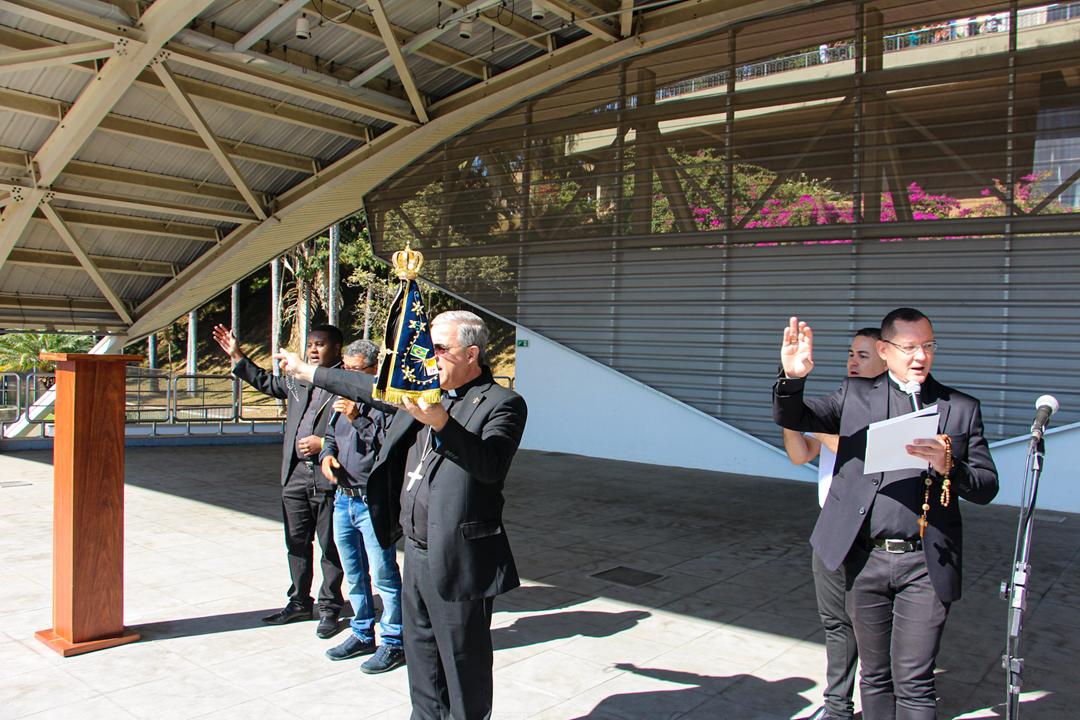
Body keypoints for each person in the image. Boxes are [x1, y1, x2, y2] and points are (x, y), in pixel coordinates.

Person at [275, 310, 527, 720]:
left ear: (471, 354)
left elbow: (489, 465)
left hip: (460, 556)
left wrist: (441, 422)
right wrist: (306, 371)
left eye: (440, 349)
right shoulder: (423, 392)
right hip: (416, 549)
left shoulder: (502, 403)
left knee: (462, 661)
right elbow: (365, 386)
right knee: (421, 651)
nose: (430, 358)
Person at [773, 308, 998, 720]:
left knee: (915, 682)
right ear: (885, 350)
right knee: (874, 676)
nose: (920, 356)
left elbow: (986, 486)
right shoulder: (856, 396)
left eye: (928, 346)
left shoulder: (960, 407)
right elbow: (795, 417)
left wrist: (950, 465)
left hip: (925, 563)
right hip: (866, 559)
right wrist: (792, 378)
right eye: (909, 347)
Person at [212, 323, 345, 638]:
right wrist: (237, 355)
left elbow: (362, 425)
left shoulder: (346, 381)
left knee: (330, 547)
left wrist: (324, 442)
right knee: (296, 542)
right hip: (295, 475)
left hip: (327, 476)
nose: (313, 349)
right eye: (310, 344)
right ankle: (299, 601)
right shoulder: (299, 379)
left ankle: (330, 607)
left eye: (321, 344)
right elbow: (268, 383)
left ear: (337, 348)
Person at [784, 328, 886, 720]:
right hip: (832, 526)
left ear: (886, 359)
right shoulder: (837, 405)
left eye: (863, 355)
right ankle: (837, 708)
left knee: (875, 627)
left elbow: (866, 455)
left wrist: (822, 426)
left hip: (874, 535)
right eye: (850, 354)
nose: (853, 362)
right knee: (835, 622)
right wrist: (791, 419)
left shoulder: (893, 408)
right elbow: (800, 454)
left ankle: (884, 704)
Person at [319, 339, 405, 673]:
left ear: (374, 370)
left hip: (372, 501)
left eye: (356, 371)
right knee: (353, 573)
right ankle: (361, 631)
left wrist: (357, 417)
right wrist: (327, 457)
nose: (349, 376)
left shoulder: (387, 403)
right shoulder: (339, 400)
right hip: (343, 499)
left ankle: (394, 640)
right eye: (346, 369)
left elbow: (384, 448)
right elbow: (330, 438)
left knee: (384, 575)